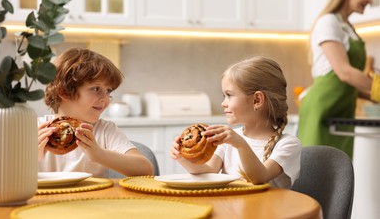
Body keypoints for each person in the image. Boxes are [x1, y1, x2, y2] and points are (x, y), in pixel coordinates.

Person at [170, 57, 302, 189]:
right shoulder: (230, 140)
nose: (223, 103)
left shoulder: (288, 144)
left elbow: (259, 177)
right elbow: (208, 171)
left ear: (257, 100)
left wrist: (240, 144)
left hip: (268, 209)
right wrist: (182, 157)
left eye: (229, 95)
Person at [298, 0, 378, 159]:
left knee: (339, 179)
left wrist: (372, 95)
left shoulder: (348, 27)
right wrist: (378, 87)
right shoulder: (328, 22)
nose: (370, 0)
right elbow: (344, 73)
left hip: (342, 112)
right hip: (322, 109)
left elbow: (347, 84)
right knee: (316, 175)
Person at [37, 47, 154, 177]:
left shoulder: (105, 130)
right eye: (96, 89)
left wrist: (99, 154)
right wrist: (30, 158)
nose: (105, 99)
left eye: (108, 91)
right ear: (64, 91)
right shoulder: (34, 130)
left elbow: (146, 169)